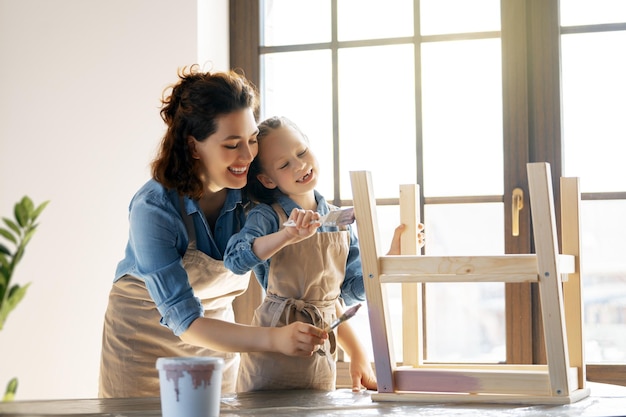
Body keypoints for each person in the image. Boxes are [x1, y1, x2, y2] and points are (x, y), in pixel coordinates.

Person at [98, 67, 327, 398]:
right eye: (232, 144)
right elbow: (186, 323)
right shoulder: (154, 209)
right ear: (193, 146)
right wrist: (274, 340)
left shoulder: (255, 193)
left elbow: (315, 234)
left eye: (251, 141)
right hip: (140, 346)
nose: (248, 156)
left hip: (219, 340)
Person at [224, 116, 424, 392]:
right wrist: (286, 235)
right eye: (284, 164)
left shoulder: (338, 218)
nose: (300, 164)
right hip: (273, 350)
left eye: (302, 152)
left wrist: (392, 256)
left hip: (320, 351)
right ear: (267, 179)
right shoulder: (266, 215)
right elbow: (235, 260)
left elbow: (351, 290)